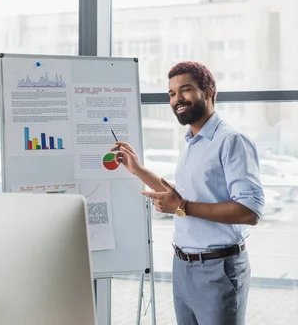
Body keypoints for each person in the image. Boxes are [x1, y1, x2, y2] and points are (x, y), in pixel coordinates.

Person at [112, 61, 264, 325]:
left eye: (185, 90)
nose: (176, 99)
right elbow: (176, 195)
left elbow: (250, 211)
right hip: (183, 266)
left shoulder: (231, 140)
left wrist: (181, 207)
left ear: (209, 91)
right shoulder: (192, 142)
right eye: (171, 94)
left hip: (218, 268)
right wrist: (137, 169)